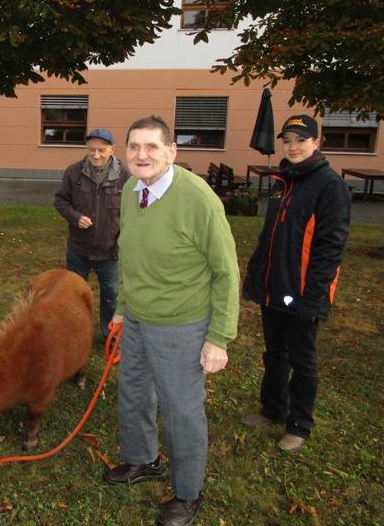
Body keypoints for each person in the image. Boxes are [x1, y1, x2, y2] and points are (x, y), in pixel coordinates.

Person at [105, 116, 239, 526]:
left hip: (182, 325)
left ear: (171, 152)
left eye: (151, 147)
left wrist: (219, 337)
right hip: (139, 319)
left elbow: (226, 272)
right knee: (134, 393)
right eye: (134, 147)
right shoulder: (131, 189)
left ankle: (188, 493)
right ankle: (143, 460)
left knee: (181, 410)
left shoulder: (199, 199)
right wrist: (121, 309)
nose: (141, 155)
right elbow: (130, 256)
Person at [241, 115, 351, 452]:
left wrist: (313, 297)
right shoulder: (282, 182)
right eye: (287, 140)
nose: (293, 146)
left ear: (317, 143)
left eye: (301, 140)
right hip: (274, 287)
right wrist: (256, 275)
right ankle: (272, 409)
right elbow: (270, 236)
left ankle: (299, 425)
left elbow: (331, 247)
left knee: (302, 360)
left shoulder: (330, 185)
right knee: (275, 353)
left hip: (304, 293)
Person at [54, 128, 129, 340]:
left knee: (111, 296)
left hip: (110, 251)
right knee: (75, 296)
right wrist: (75, 216)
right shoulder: (74, 172)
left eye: (102, 150)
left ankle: (109, 335)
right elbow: (60, 201)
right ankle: (76, 334)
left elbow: (132, 212)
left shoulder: (125, 175)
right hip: (79, 249)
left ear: (112, 150)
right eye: (92, 150)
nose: (96, 155)